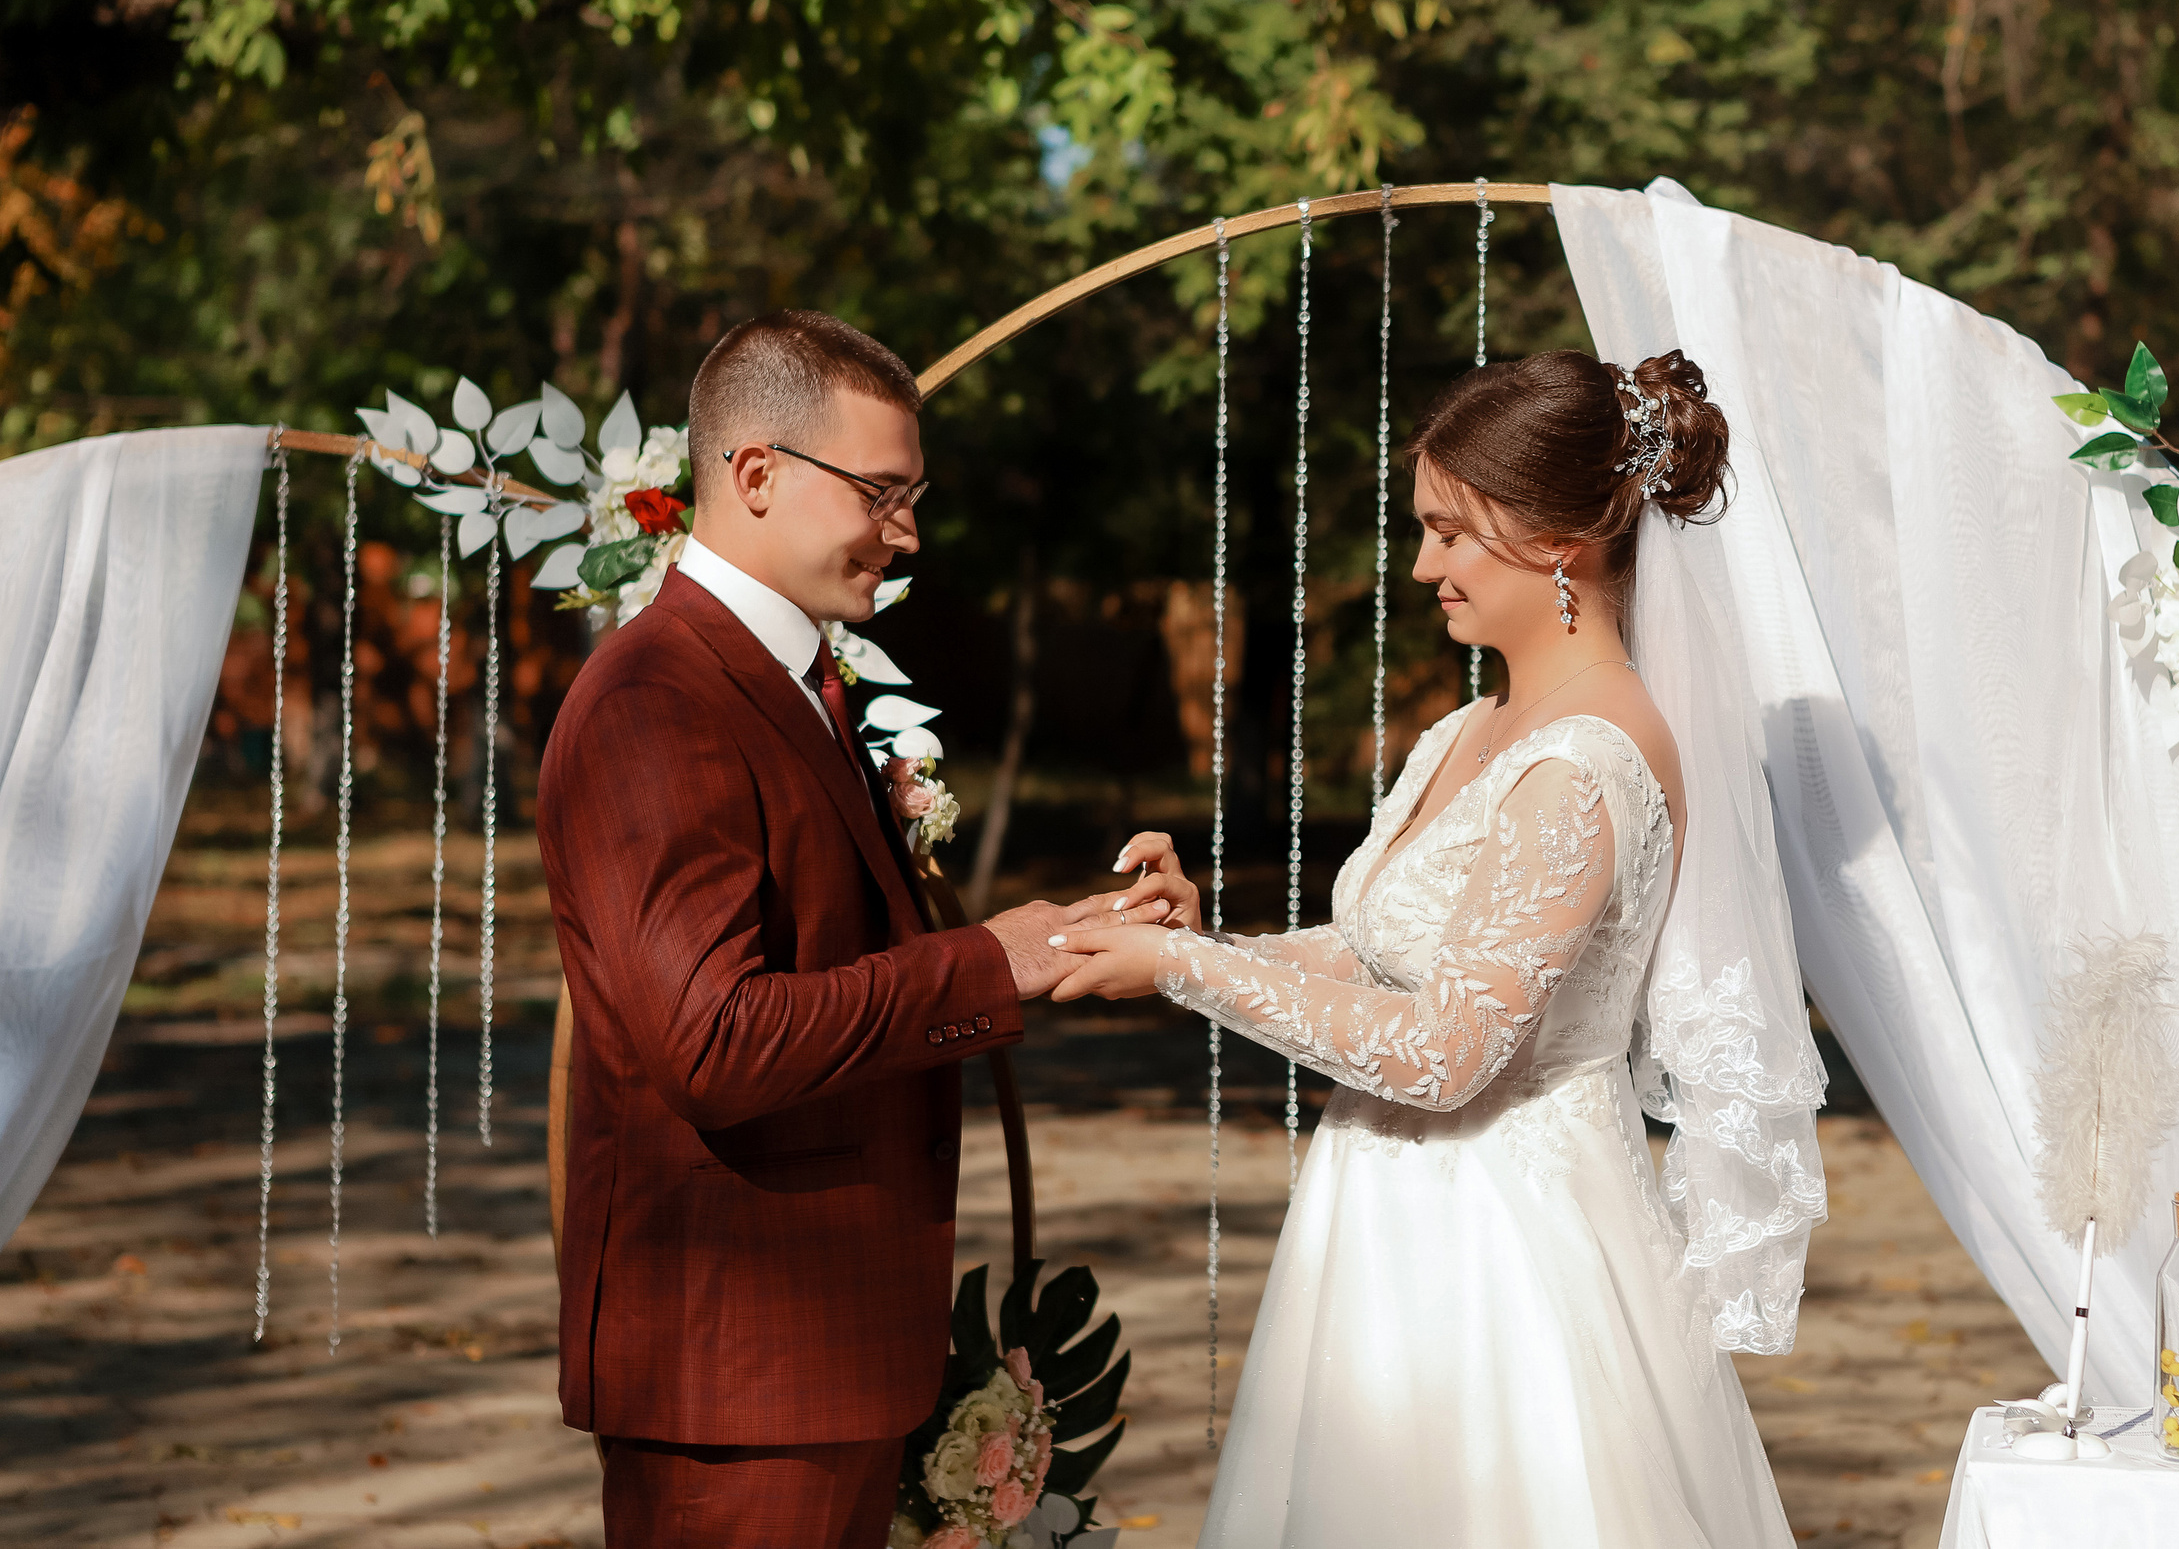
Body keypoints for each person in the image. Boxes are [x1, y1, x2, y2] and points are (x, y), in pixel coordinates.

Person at [1054, 349, 1821, 1549]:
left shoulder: (1584, 761)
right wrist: (1203, 939)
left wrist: (1183, 975)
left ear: (1559, 536)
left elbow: (1448, 1052)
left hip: (1501, 1247)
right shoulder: (1475, 726)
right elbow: (1392, 962)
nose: (1422, 567)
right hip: (1389, 1222)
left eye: (1451, 534)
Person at [536, 312, 1098, 1547]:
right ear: (752, 475)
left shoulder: (793, 679)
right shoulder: (653, 699)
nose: (905, 531)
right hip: (732, 1374)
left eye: (913, 494)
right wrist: (986, 962)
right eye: (880, 492)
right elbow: (714, 1041)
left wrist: (1059, 944)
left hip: (820, 1359)